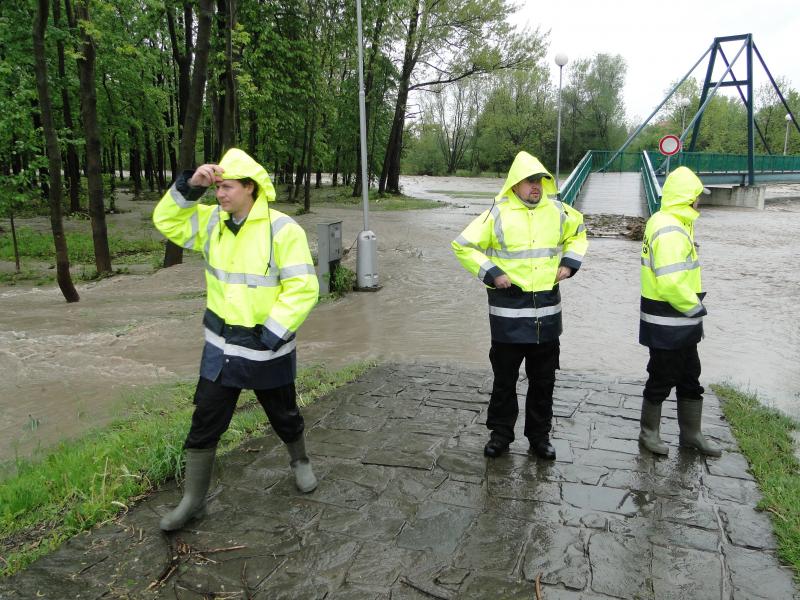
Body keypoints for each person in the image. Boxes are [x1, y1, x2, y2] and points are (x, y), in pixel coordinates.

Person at [152, 148, 320, 531]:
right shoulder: (212, 222)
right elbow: (166, 221)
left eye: (227, 187)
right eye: (217, 188)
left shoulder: (283, 230)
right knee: (205, 421)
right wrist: (191, 185)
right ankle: (193, 501)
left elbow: (303, 288)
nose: (220, 194)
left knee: (284, 415)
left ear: (250, 188)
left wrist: (271, 334)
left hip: (265, 347)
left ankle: (300, 460)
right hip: (221, 348)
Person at [452, 151, 588, 460]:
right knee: (504, 381)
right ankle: (500, 435)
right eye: (529, 181)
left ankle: (539, 438)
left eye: (539, 180)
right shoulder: (497, 213)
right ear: (515, 184)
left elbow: (579, 233)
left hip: (546, 317)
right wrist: (493, 273)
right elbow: (463, 245)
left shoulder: (558, 211)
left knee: (544, 382)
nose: (535, 186)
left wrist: (569, 263)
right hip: (508, 317)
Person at [638, 166, 721, 457]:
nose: (700, 201)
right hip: (669, 320)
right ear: (687, 197)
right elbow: (671, 282)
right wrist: (696, 308)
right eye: (698, 196)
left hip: (677, 320)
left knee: (689, 377)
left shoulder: (670, 221)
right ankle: (649, 434)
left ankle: (691, 435)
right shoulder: (671, 229)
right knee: (661, 377)